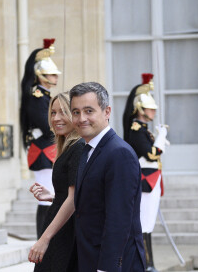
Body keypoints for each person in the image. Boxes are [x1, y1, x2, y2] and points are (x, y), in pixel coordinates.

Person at [70, 82, 146, 272]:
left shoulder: (119, 153)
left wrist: (107, 268)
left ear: (107, 112)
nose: (82, 118)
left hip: (113, 264)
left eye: (89, 111)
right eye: (76, 112)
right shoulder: (87, 149)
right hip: (90, 259)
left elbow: (118, 219)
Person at [28, 92, 84, 271]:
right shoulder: (68, 146)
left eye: (63, 112)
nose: (56, 118)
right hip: (61, 230)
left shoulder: (78, 147)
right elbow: (72, 195)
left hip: (65, 234)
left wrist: (44, 239)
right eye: (53, 113)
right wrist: (54, 197)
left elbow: (74, 199)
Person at [123, 74, 168, 272]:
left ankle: (149, 263)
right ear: (141, 109)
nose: (154, 112)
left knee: (148, 224)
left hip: (152, 180)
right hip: (145, 180)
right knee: (144, 224)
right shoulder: (136, 130)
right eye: (151, 109)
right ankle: (145, 264)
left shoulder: (144, 130)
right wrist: (161, 139)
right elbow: (151, 154)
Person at [20, 38, 61, 238]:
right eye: (52, 74)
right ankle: (43, 239)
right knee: (45, 198)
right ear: (41, 76)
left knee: (49, 196)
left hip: (48, 149)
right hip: (43, 150)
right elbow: (47, 127)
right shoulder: (37, 96)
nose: (55, 77)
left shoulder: (44, 95)